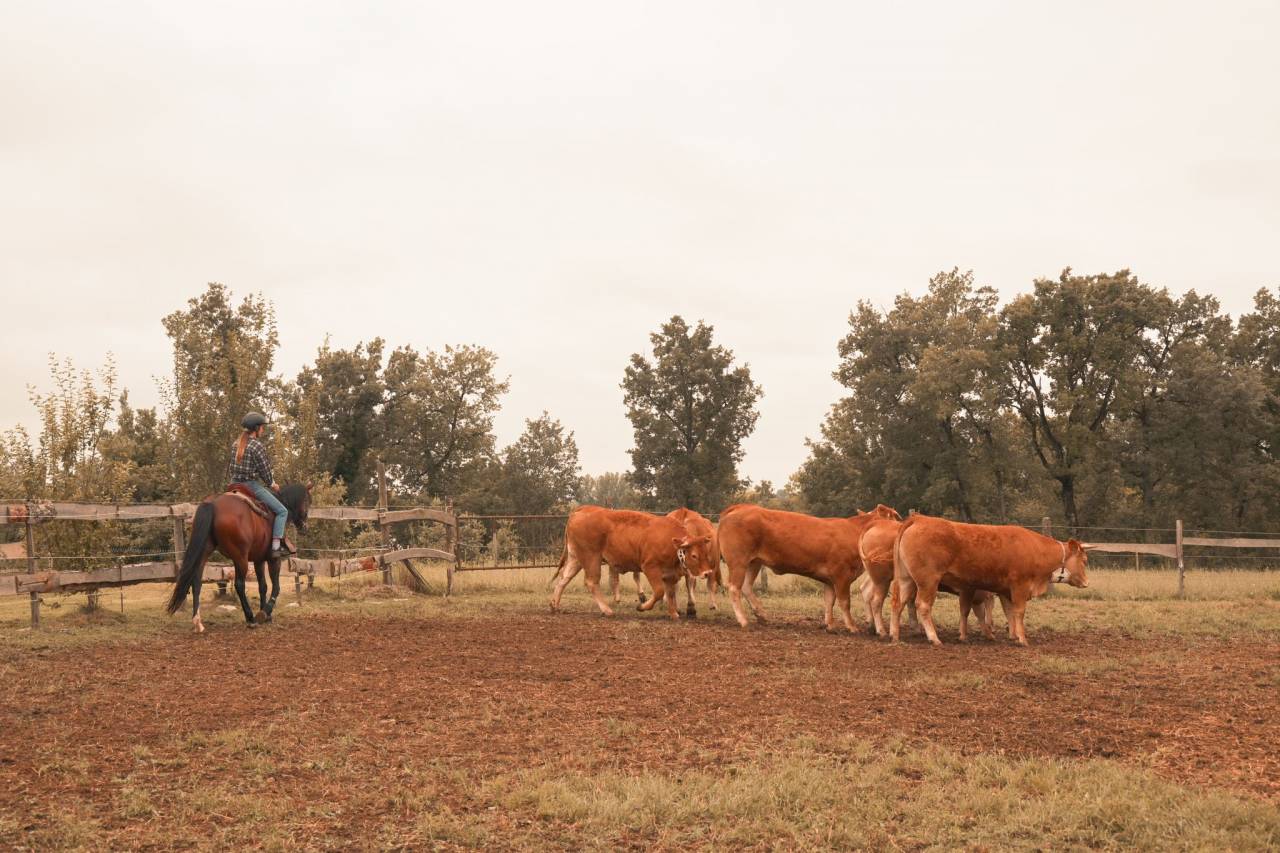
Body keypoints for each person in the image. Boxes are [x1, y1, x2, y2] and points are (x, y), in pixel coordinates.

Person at [228, 412, 291, 558]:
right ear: (256, 428)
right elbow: (265, 472)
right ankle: (276, 547)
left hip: (233, 485)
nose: (263, 430)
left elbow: (231, 467)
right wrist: (272, 484)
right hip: (250, 485)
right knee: (282, 511)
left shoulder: (235, 444)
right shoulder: (257, 446)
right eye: (262, 427)